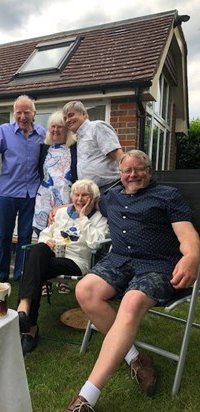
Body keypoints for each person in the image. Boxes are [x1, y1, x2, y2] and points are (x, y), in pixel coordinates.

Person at [65, 150, 200, 411]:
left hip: (158, 265)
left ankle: (86, 398)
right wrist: (63, 209)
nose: (133, 174)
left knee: (131, 300)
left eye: (139, 169)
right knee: (85, 290)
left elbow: (187, 233)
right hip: (119, 261)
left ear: (149, 172)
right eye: (127, 170)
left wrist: (192, 256)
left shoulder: (167, 196)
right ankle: (136, 357)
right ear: (121, 175)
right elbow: (88, 202)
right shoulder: (111, 196)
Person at [17, 179, 109, 355]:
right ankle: (27, 318)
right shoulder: (61, 214)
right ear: (71, 196)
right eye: (76, 194)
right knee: (39, 249)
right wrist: (47, 241)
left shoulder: (99, 219)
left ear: (94, 198)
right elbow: (45, 234)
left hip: (76, 262)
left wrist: (83, 217)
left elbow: (94, 243)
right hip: (51, 256)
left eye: (85, 195)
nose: (80, 199)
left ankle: (26, 317)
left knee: (34, 268)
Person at [0, 95, 46, 281]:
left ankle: (20, 273)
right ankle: (1, 274)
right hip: (7, 192)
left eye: (27, 112)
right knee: (5, 235)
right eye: (19, 112)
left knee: (25, 236)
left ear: (34, 113)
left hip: (31, 193)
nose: (22, 116)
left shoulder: (42, 133)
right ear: (14, 113)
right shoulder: (4, 131)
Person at [33, 111, 77, 295]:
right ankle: (43, 279)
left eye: (60, 126)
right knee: (43, 235)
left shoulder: (74, 149)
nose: (56, 130)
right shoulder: (44, 149)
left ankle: (62, 278)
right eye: (53, 126)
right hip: (44, 197)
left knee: (65, 235)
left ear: (67, 130)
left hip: (66, 198)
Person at [62, 100, 124, 194]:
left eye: (71, 115)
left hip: (109, 188)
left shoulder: (97, 127)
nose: (67, 120)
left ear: (84, 114)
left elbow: (118, 156)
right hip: (91, 192)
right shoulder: (78, 139)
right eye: (65, 118)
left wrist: (127, 182)